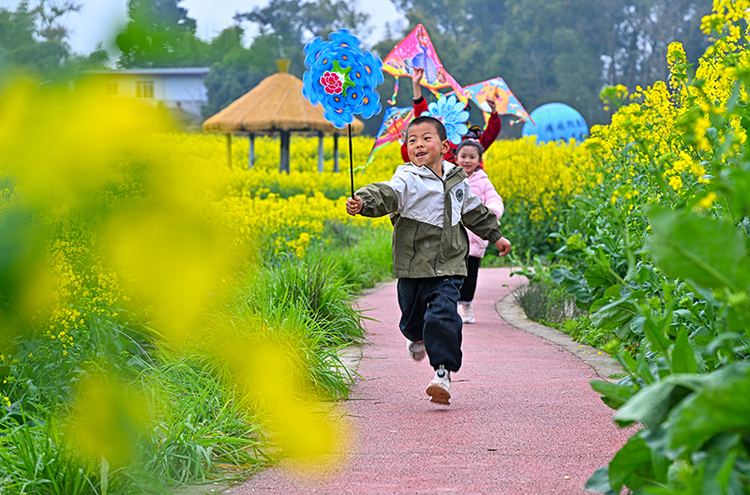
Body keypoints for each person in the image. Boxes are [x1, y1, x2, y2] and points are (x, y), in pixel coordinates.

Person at [346, 116, 511, 405]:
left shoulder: (458, 180)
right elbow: (386, 194)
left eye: (426, 138)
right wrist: (363, 202)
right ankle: (416, 336)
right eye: (412, 140)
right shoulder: (407, 178)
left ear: (445, 146)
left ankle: (442, 372)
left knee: (444, 314)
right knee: (411, 320)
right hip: (412, 265)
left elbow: (473, 211)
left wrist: (495, 235)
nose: (418, 144)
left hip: (449, 264)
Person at [399, 67, 502, 164]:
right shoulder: (436, 140)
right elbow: (423, 117)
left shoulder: (472, 139)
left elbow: (492, 132)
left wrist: (493, 113)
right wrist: (416, 84)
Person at [454, 140, 505, 324]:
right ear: (456, 158)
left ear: (479, 160)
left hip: (475, 239)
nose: (467, 160)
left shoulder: (483, 181)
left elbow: (494, 200)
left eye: (472, 157)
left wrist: (491, 215)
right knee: (450, 276)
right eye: (463, 156)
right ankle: (449, 306)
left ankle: (466, 305)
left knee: (470, 277)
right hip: (452, 239)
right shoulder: (449, 178)